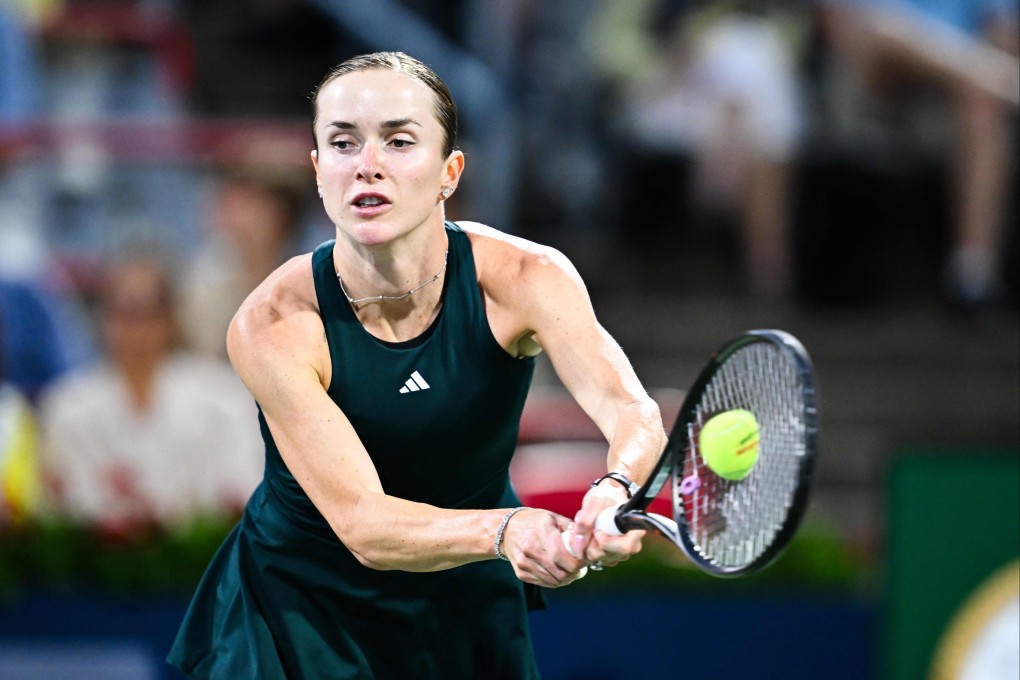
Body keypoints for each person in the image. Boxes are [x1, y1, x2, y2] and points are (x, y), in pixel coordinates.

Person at [168, 51, 667, 679]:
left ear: (448, 172)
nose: (368, 166)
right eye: (343, 144)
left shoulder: (525, 279)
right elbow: (365, 525)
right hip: (301, 614)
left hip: (463, 599)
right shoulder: (272, 325)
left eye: (399, 141)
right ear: (319, 172)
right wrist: (507, 531)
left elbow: (632, 410)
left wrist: (616, 488)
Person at [37, 249, 263, 534]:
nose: (136, 329)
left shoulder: (222, 397)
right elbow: (63, 506)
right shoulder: (68, 405)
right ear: (104, 319)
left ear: (170, 318)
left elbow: (242, 491)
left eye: (147, 313)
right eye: (124, 313)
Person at [818, 0, 1019, 307]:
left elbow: (1004, 37)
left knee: (982, 105)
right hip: (872, 90)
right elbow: (845, 39)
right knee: (888, 29)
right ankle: (999, 83)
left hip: (951, 101)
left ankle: (973, 275)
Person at [179, 132, 313, 358]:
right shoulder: (208, 276)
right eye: (251, 198)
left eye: (274, 202)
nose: (262, 214)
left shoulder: (318, 271)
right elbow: (203, 356)